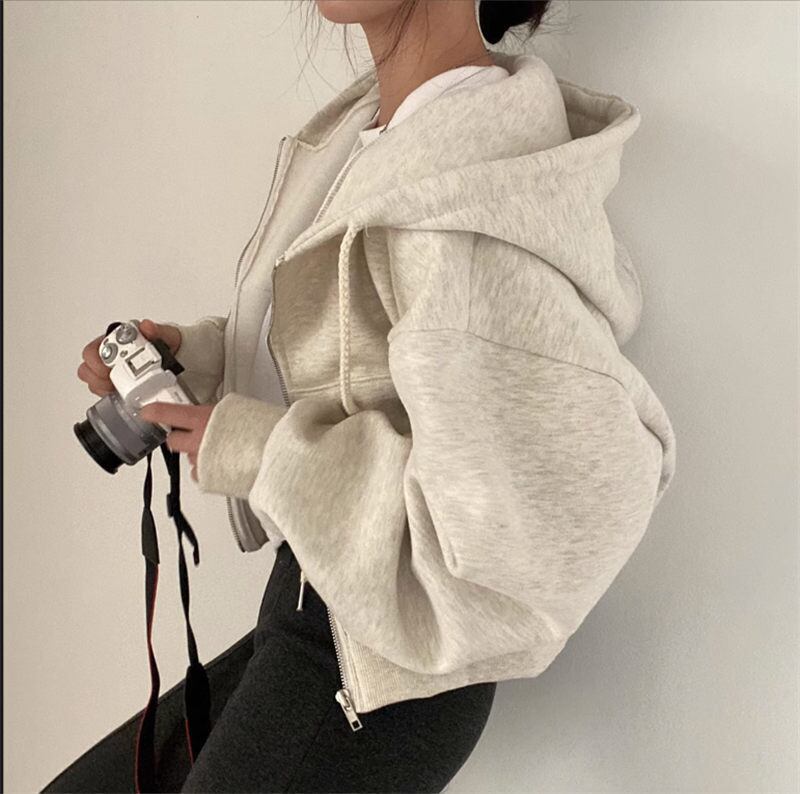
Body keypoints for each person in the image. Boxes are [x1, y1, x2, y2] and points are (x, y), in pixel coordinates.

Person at [57, 0, 677, 791]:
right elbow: (366, 363)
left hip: (384, 667)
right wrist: (199, 362)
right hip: (323, 610)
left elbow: (511, 530)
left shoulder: (470, 179)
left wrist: (253, 446)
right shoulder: (377, 134)